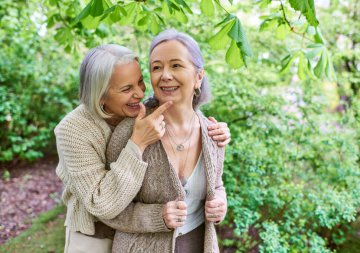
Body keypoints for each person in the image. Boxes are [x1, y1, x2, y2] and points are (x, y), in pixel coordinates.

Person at [54, 44, 230, 253]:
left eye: (140, 82)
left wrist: (211, 132)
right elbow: (101, 202)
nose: (139, 94)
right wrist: (137, 143)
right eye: (127, 89)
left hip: (142, 237)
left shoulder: (141, 110)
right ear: (100, 96)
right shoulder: (73, 130)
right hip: (95, 235)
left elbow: (181, 106)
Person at [102, 29, 227, 253]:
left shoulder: (214, 133)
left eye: (176, 65)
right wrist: (157, 216)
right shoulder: (130, 133)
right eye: (156, 67)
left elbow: (217, 185)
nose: (165, 75)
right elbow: (108, 208)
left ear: (199, 76)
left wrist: (220, 201)